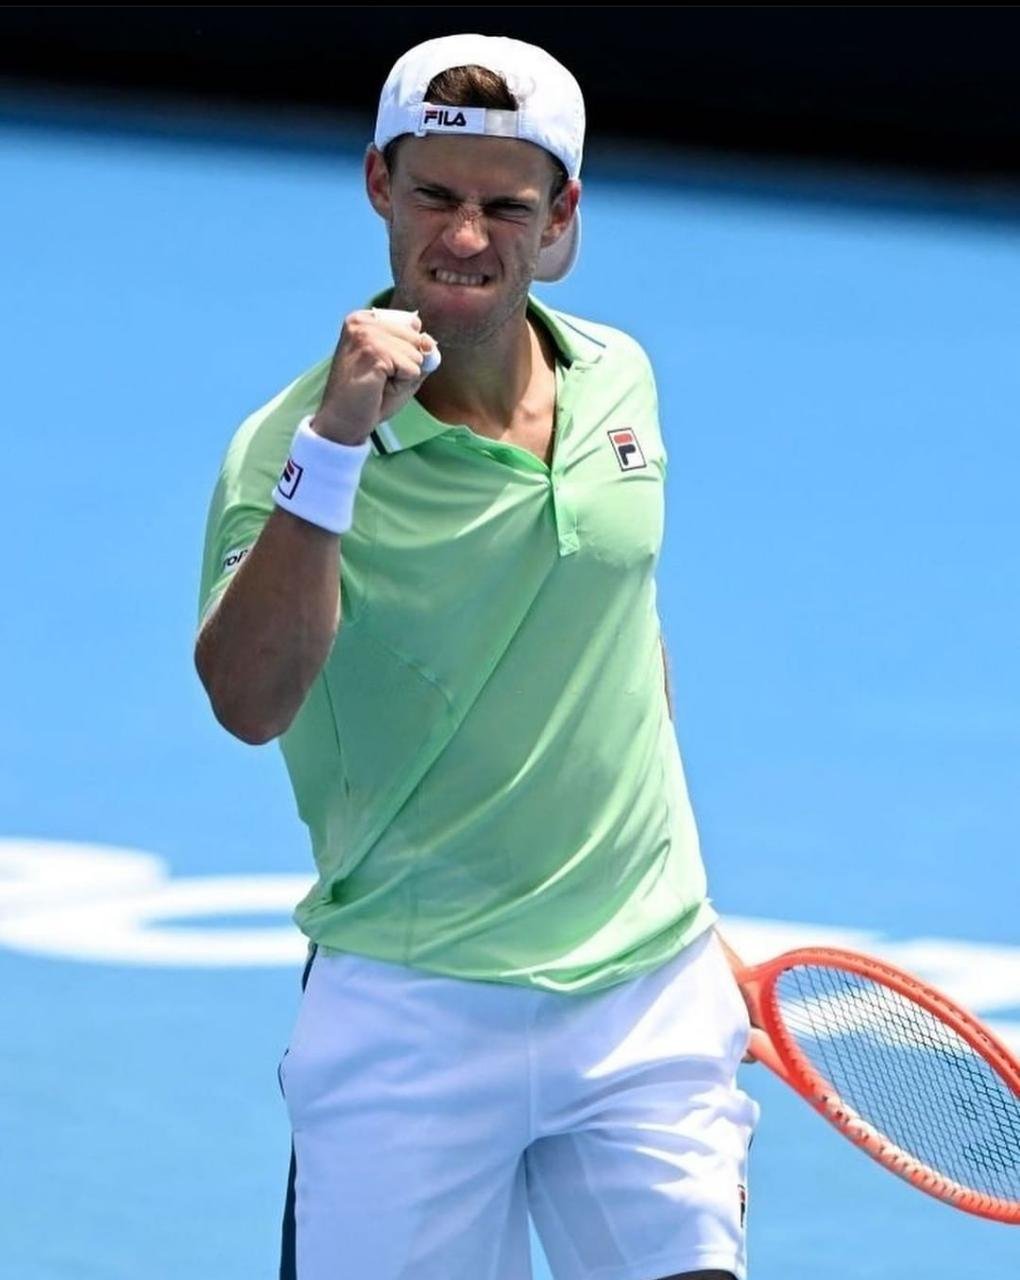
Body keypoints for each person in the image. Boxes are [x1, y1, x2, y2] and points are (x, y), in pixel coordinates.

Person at [195, 32, 759, 1280]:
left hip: (645, 989)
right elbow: (247, 699)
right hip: (413, 1013)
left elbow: (618, 632)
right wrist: (335, 448)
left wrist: (687, 911)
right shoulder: (285, 448)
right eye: (436, 198)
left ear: (561, 220)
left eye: (506, 207)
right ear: (378, 188)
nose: (464, 238)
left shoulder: (620, 378)